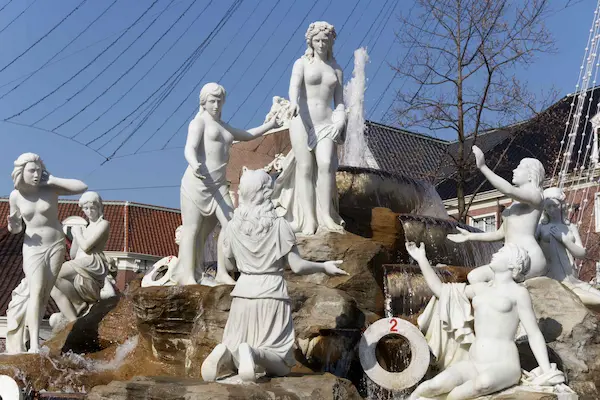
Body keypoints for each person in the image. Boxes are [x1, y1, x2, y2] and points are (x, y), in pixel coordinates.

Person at [201, 169, 348, 382]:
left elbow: (230, 262)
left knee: (237, 345)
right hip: (272, 292)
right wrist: (324, 266)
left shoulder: (232, 227)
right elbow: (296, 267)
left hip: (243, 293)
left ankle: (224, 350)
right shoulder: (280, 225)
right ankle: (252, 353)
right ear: (265, 192)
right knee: (281, 365)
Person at [406, 241, 564, 400]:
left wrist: (546, 371)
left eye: (501, 252)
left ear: (512, 264)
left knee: (481, 384)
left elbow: (534, 333)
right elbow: (441, 290)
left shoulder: (518, 293)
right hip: (475, 363)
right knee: (432, 386)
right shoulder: (480, 288)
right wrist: (421, 259)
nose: (494, 253)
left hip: (504, 365)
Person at [173, 82, 281, 286]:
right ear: (203, 103)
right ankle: (187, 275)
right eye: (212, 101)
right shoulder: (198, 123)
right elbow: (189, 148)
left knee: (230, 224)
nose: (216, 105)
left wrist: (270, 125)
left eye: (219, 101)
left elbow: (247, 135)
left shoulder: (224, 126)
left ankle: (222, 272)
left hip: (219, 185)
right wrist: (195, 163)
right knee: (192, 230)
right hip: (197, 183)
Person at [6, 153, 87, 353]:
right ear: (21, 172)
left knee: (43, 296)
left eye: (39, 171)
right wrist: (12, 224)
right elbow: (16, 229)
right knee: (36, 290)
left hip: (56, 245)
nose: (36, 174)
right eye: (32, 170)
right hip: (33, 248)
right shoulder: (16, 196)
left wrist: (52, 179)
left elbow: (82, 187)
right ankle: (33, 345)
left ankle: (34, 343)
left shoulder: (50, 189)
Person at [272, 21, 346, 235]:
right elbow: (293, 86)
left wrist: (340, 120)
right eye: (317, 40)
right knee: (304, 168)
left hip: (326, 122)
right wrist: (293, 101)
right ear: (310, 42)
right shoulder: (301, 63)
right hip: (302, 119)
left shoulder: (336, 69)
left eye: (325, 40)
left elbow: (339, 102)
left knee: (325, 165)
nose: (321, 44)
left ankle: (326, 217)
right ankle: (309, 220)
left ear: (331, 41)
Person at [448, 146, 547, 282]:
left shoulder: (536, 196)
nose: (514, 170)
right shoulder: (515, 204)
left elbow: (508, 190)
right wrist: (470, 236)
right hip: (509, 256)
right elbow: (499, 234)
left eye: (519, 167)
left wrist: (483, 167)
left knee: (478, 279)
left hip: (528, 257)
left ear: (531, 174)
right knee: (474, 277)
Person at [51, 191, 111, 321]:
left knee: (55, 274)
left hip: (93, 262)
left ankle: (78, 304)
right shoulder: (86, 228)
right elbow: (73, 254)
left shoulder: (103, 224)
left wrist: (78, 233)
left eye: (92, 208)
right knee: (51, 287)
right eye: (86, 208)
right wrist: (76, 239)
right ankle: (73, 321)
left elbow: (87, 247)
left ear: (99, 207)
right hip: (80, 261)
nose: (89, 211)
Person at [537, 187, 600, 306]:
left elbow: (581, 254)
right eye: (548, 207)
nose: (551, 210)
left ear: (562, 206)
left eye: (555, 206)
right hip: (554, 278)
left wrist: (565, 240)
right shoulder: (541, 227)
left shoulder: (571, 227)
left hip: (572, 277)